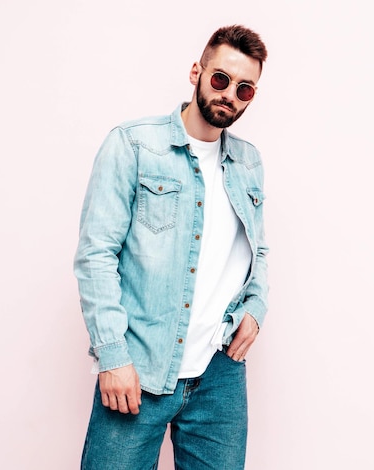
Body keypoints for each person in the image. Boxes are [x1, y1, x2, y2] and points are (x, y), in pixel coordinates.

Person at [74, 24, 269, 469]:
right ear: (196, 72)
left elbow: (257, 251)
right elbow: (95, 255)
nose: (229, 95)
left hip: (219, 377)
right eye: (220, 79)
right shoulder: (133, 144)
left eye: (245, 89)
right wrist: (112, 355)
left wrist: (257, 307)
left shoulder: (249, 162)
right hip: (138, 366)